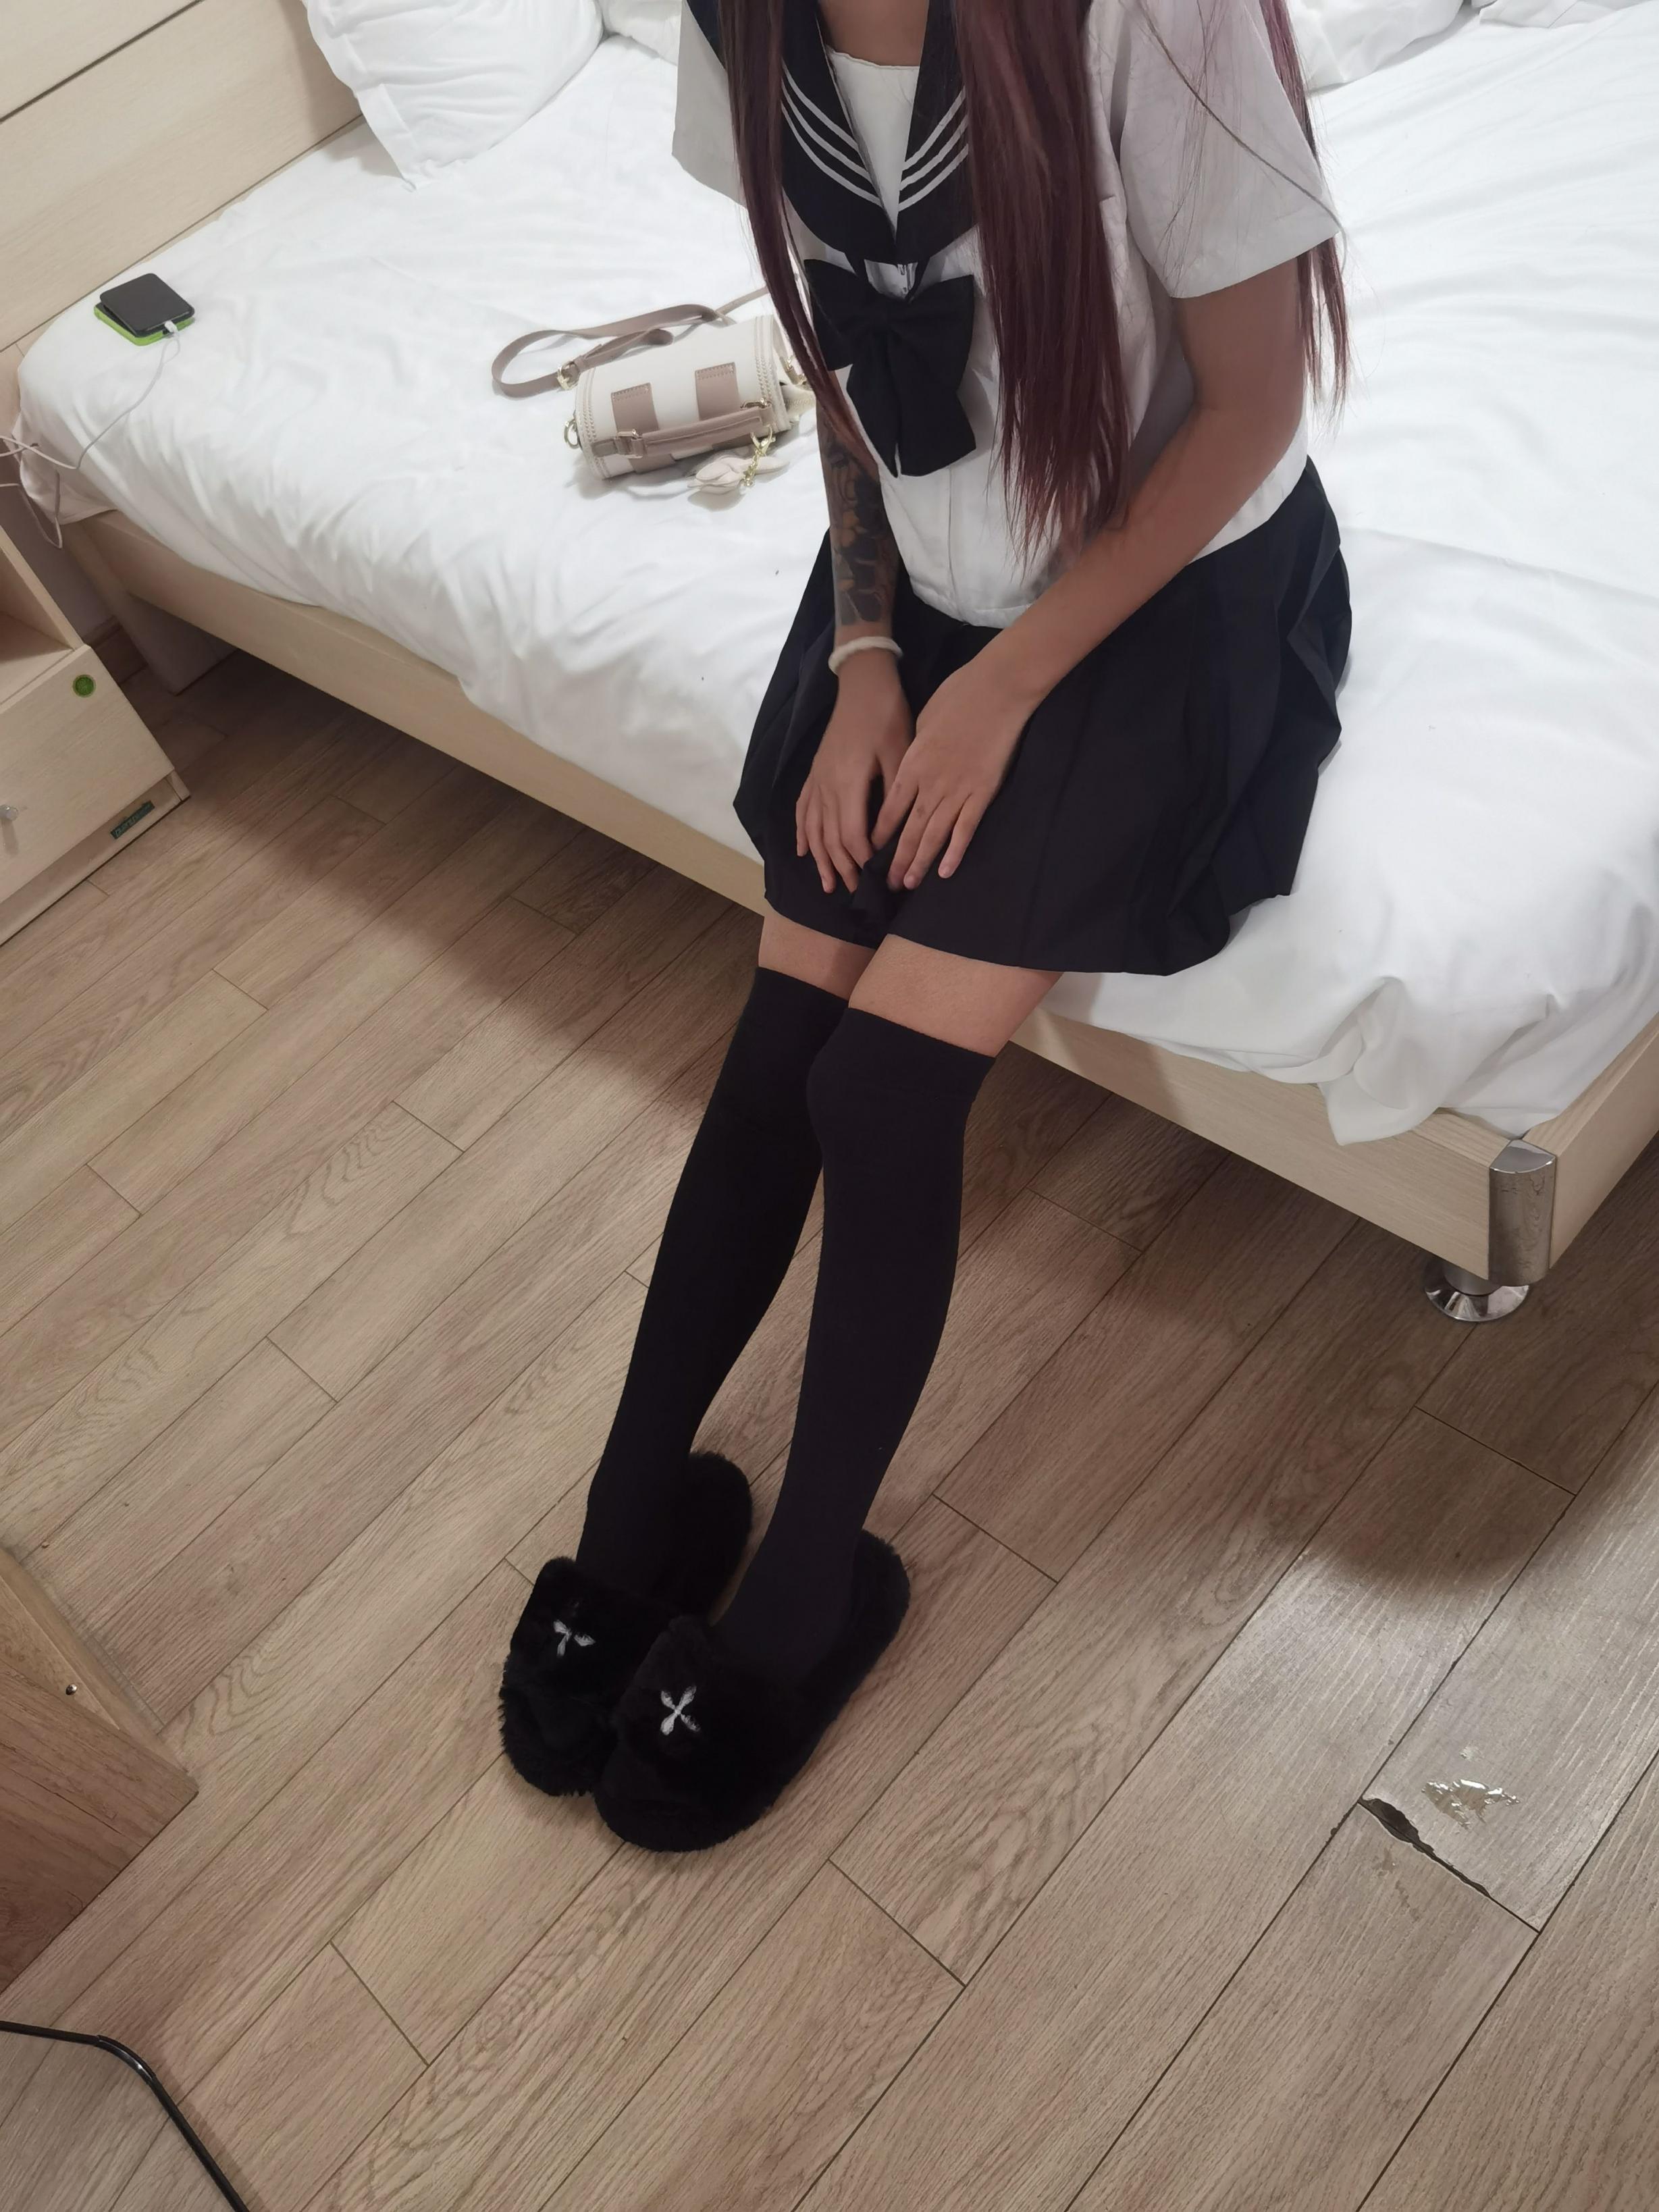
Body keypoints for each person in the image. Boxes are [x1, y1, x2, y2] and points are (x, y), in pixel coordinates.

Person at [500, 0, 1352, 1851]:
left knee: (880, 1095)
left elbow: (1254, 405)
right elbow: (831, 356)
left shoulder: (1153, 19)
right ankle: (629, 1525)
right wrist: (873, 652)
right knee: (777, 1055)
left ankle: (804, 1601)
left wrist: (1007, 686)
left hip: (1162, 602)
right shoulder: (745, 20)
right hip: (926, 597)